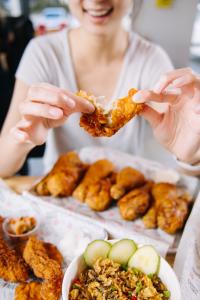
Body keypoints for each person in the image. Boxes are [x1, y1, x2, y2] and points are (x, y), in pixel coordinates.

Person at [0, 0, 200, 178]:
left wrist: (192, 157)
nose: (96, 1)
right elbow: (2, 167)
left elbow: (182, 162)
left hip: (123, 190)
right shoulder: (42, 53)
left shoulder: (152, 59)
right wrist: (23, 139)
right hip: (60, 191)